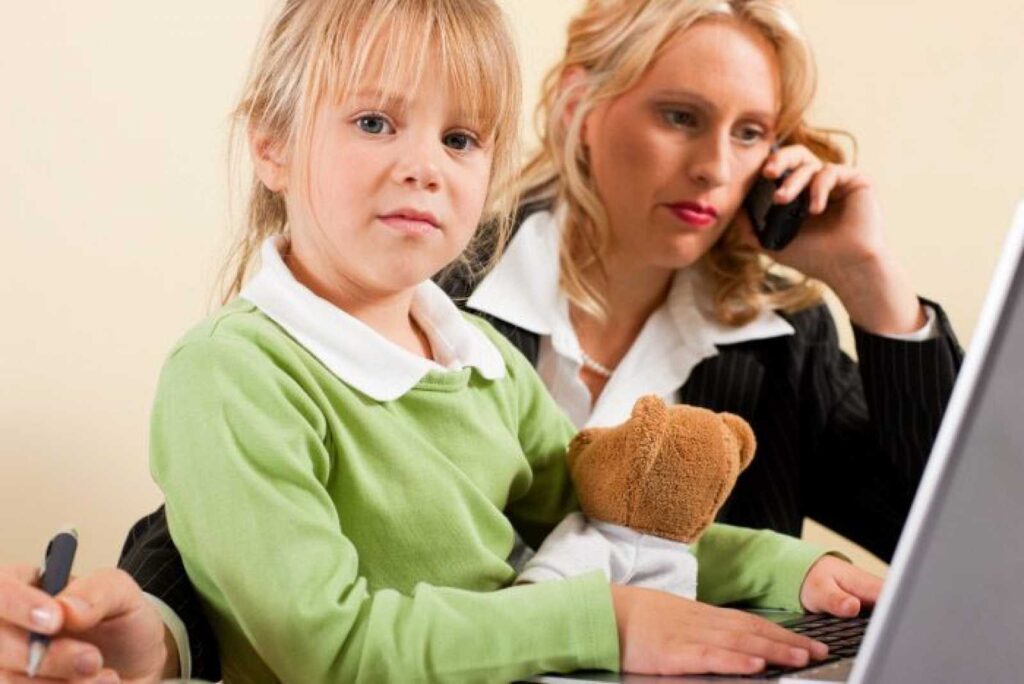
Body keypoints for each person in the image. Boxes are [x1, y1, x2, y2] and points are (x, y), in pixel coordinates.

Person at [1, 0, 952, 679]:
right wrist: (154, 633)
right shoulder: (354, 316)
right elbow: (238, 564)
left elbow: (621, 520)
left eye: (461, 140)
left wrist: (796, 567)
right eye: (680, 117)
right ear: (581, 109)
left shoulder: (478, 352)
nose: (715, 164)